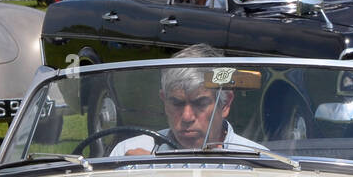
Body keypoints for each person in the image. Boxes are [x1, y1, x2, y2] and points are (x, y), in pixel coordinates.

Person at [111, 44, 265, 155]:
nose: (187, 117)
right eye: (177, 103)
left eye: (200, 103)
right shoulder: (128, 152)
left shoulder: (257, 161)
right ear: (164, 101)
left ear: (225, 104)